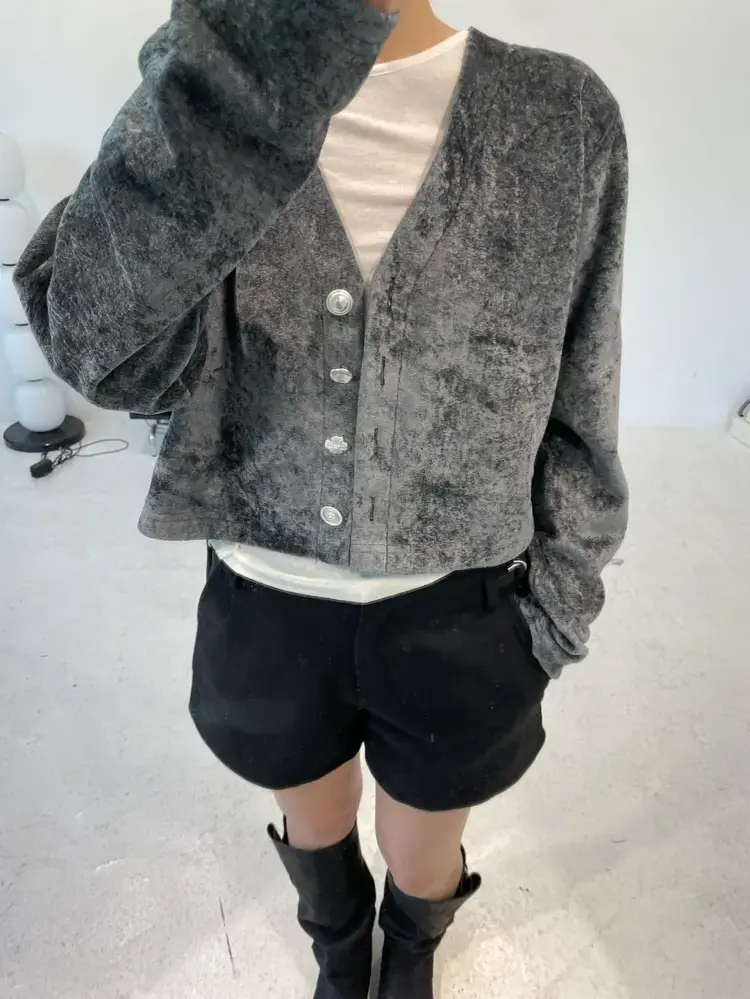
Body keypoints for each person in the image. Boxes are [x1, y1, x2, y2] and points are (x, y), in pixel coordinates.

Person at [15, 0, 629, 996]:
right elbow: (98, 347)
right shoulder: (209, 96)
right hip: (265, 596)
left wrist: (558, 608)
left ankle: (412, 951)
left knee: (425, 833)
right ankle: (338, 944)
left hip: (466, 602)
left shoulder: (561, 112)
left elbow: (584, 378)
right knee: (315, 814)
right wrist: (216, 72)